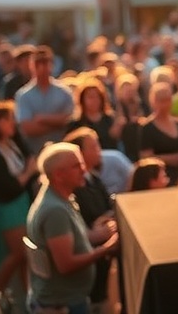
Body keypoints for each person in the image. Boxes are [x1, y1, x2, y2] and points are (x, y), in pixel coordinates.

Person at [24, 143, 118, 314]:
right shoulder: (55, 211)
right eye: (77, 166)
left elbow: (76, 239)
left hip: (72, 300)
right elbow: (66, 264)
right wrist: (106, 249)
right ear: (58, 175)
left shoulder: (64, 199)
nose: (84, 170)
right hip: (63, 306)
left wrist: (98, 233)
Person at [0, 102, 37, 298]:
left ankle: (29, 299)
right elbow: (9, 186)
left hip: (22, 202)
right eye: (8, 119)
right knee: (19, 253)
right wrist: (28, 172)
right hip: (9, 207)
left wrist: (27, 173)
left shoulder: (12, 142)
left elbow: (30, 157)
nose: (13, 123)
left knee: (25, 258)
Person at [62, 128, 115, 313]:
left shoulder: (94, 179)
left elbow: (109, 208)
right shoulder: (73, 189)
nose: (99, 150)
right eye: (93, 147)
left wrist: (105, 219)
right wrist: (95, 232)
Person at [14, 45, 75, 155]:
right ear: (31, 65)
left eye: (45, 62)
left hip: (62, 152)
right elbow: (27, 128)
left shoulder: (64, 92)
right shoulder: (23, 95)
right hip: (35, 152)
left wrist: (43, 118)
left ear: (52, 64)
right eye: (38, 63)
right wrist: (58, 124)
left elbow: (70, 120)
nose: (42, 67)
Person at [137, 82, 178, 186]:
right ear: (153, 102)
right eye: (161, 100)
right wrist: (174, 158)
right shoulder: (147, 128)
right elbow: (146, 157)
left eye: (168, 99)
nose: (165, 104)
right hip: (161, 180)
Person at [65, 76, 123, 152]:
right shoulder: (75, 124)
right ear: (82, 100)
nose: (94, 100)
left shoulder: (111, 120)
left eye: (97, 97)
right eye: (90, 97)